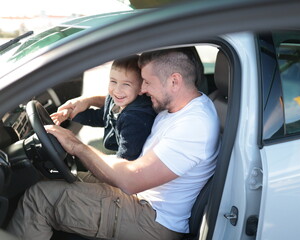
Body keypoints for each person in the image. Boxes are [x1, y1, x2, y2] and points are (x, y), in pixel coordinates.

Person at [7, 48, 221, 240]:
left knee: (39, 198)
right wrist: (88, 101)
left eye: (147, 82)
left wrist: (75, 145)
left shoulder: (194, 126)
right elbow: (127, 100)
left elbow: (130, 180)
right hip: (142, 198)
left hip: (151, 218)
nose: (143, 89)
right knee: (49, 176)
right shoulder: (179, 102)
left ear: (174, 81)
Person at [50, 56, 156, 160]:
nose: (117, 90)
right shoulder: (116, 100)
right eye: (113, 81)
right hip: (116, 146)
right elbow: (101, 117)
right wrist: (72, 114)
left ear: (141, 88)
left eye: (126, 84)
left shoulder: (135, 119)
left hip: (130, 160)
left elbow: (126, 158)